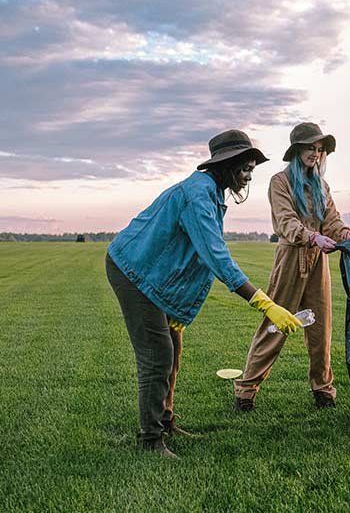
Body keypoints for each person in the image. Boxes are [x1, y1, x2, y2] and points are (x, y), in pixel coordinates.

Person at [106, 129, 302, 458]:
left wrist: (178, 311)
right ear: (225, 164)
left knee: (174, 348)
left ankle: (166, 420)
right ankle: (150, 441)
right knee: (157, 357)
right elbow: (215, 257)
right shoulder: (198, 195)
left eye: (252, 167)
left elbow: (191, 259)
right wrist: (266, 304)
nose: (249, 174)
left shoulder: (212, 193)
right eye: (245, 166)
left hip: (154, 276)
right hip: (133, 271)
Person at [234, 122, 350, 411]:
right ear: (297, 150)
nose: (316, 153)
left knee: (321, 328)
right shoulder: (280, 182)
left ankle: (323, 389)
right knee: (275, 325)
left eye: (320, 149)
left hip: (318, 262)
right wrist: (312, 236)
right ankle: (246, 390)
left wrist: (346, 235)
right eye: (311, 148)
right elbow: (286, 221)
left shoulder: (321, 185)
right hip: (291, 257)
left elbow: (332, 220)